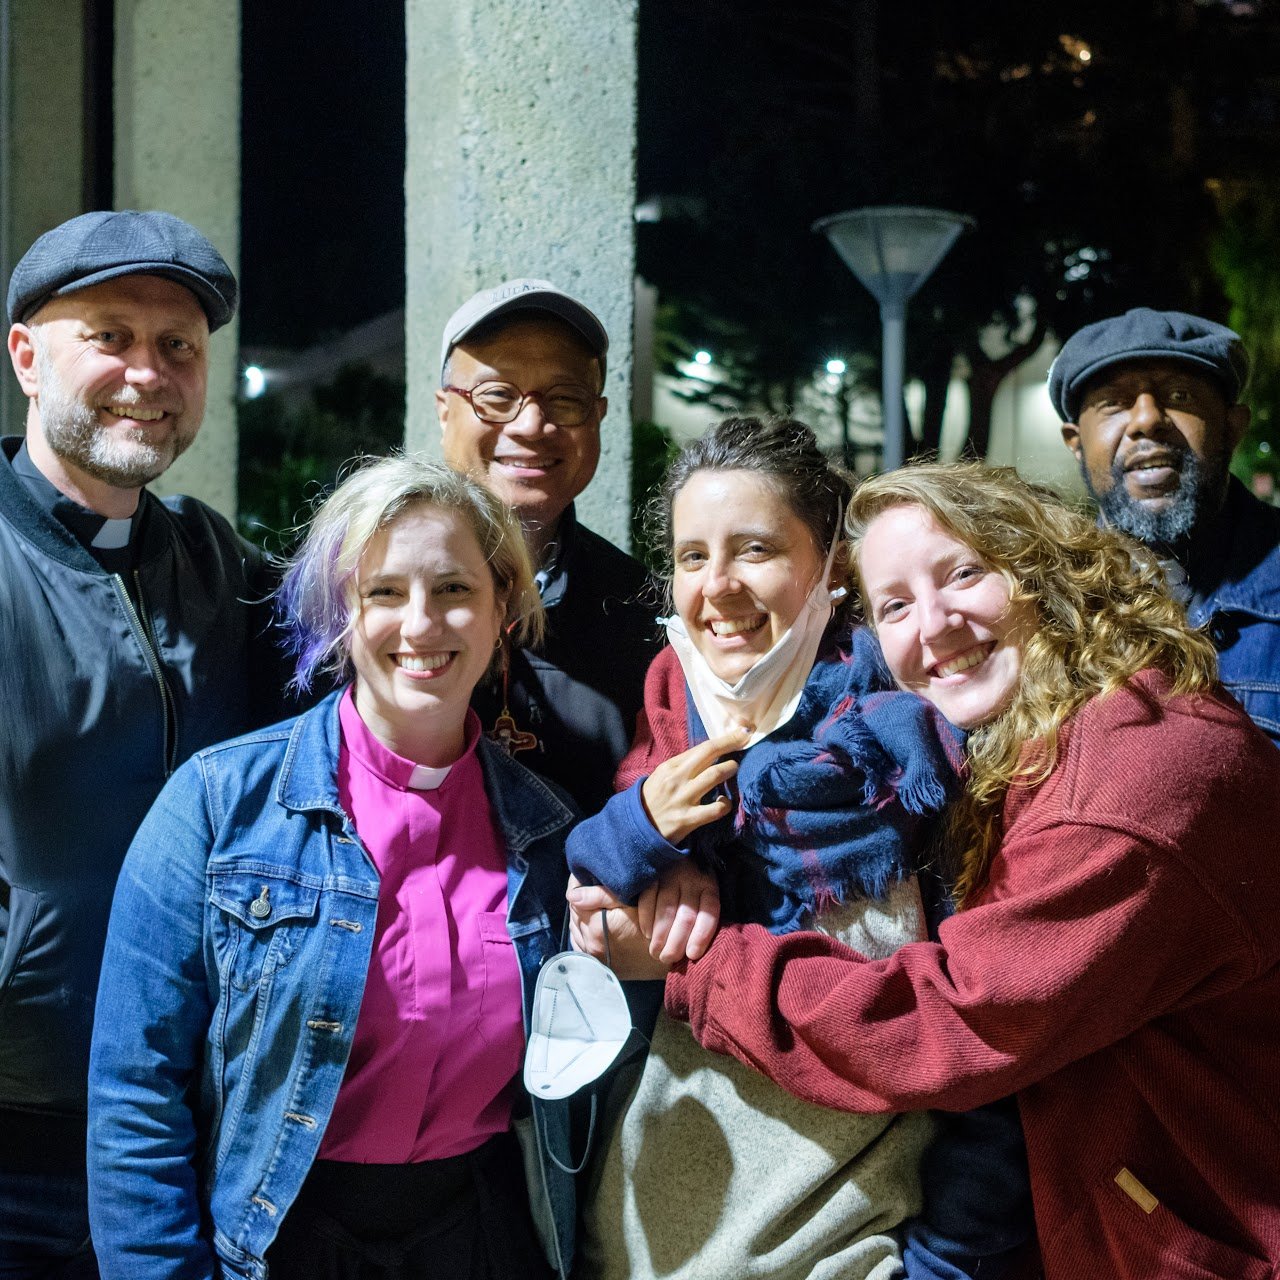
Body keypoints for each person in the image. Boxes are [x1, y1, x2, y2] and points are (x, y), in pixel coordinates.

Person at [620, 461, 1280, 1279]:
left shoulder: (1130, 782)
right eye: (895, 605)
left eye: (964, 574)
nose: (933, 625)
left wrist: (693, 967)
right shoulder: (1039, 734)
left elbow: (950, 1022)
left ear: (1043, 567)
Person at [86, 455, 585, 1280]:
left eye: (454, 589)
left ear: (501, 607)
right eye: (384, 592)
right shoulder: (217, 805)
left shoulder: (547, 832)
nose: (421, 623)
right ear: (341, 613)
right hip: (278, 1242)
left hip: (478, 1240)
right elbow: (134, 1096)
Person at [565, 420, 1032, 1280]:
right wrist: (645, 831)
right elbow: (592, 897)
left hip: (848, 1252)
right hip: (641, 1240)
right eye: (693, 556)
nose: (718, 585)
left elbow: (991, 1047)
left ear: (830, 565)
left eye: (755, 549)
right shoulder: (672, 705)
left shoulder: (918, 743)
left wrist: (948, 1263)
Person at [0, 209, 287, 1278]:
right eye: (109, 337)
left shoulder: (214, 559)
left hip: (178, 1120)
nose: (148, 373)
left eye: (178, 346)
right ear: (27, 357)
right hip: (19, 1122)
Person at [437, 279, 660, 811]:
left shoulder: (647, 617)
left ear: (599, 416)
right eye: (497, 396)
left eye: (565, 399)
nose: (532, 424)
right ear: (445, 411)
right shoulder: (367, 594)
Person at [1050, 306, 1280, 744]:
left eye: (1179, 395)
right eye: (1114, 403)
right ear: (1076, 443)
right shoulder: (1041, 604)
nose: (1147, 420)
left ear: (1232, 427)